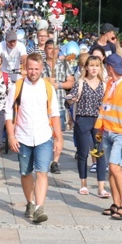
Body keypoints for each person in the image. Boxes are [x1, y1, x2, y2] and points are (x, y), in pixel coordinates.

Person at [5, 53, 61, 223]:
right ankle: (30, 202)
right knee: (25, 173)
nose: (33, 72)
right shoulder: (17, 87)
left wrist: (58, 138)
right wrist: (11, 136)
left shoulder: (47, 87)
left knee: (42, 172)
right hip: (23, 137)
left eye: (36, 69)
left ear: (42, 69)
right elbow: (8, 113)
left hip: (44, 136)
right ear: (25, 68)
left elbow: (55, 113)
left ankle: (39, 207)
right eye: (30, 69)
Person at [94, 54, 122, 221]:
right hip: (108, 131)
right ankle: (116, 203)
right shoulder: (111, 84)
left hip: (121, 133)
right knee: (110, 169)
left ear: (109, 68)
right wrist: (100, 129)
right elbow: (106, 107)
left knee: (115, 167)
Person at [68, 55, 109, 198]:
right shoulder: (80, 83)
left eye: (97, 66)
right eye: (91, 65)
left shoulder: (104, 84)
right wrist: (71, 100)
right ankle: (83, 184)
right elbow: (71, 98)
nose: (94, 68)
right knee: (83, 152)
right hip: (83, 120)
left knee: (99, 152)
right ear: (85, 67)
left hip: (98, 122)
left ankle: (101, 187)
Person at [41, 40, 74, 173]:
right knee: (44, 134)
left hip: (59, 104)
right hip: (43, 105)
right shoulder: (40, 64)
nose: (52, 51)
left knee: (57, 134)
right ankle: (44, 158)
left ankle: (55, 161)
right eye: (49, 48)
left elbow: (70, 82)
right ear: (45, 50)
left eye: (55, 49)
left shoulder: (64, 64)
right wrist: (46, 81)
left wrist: (58, 85)